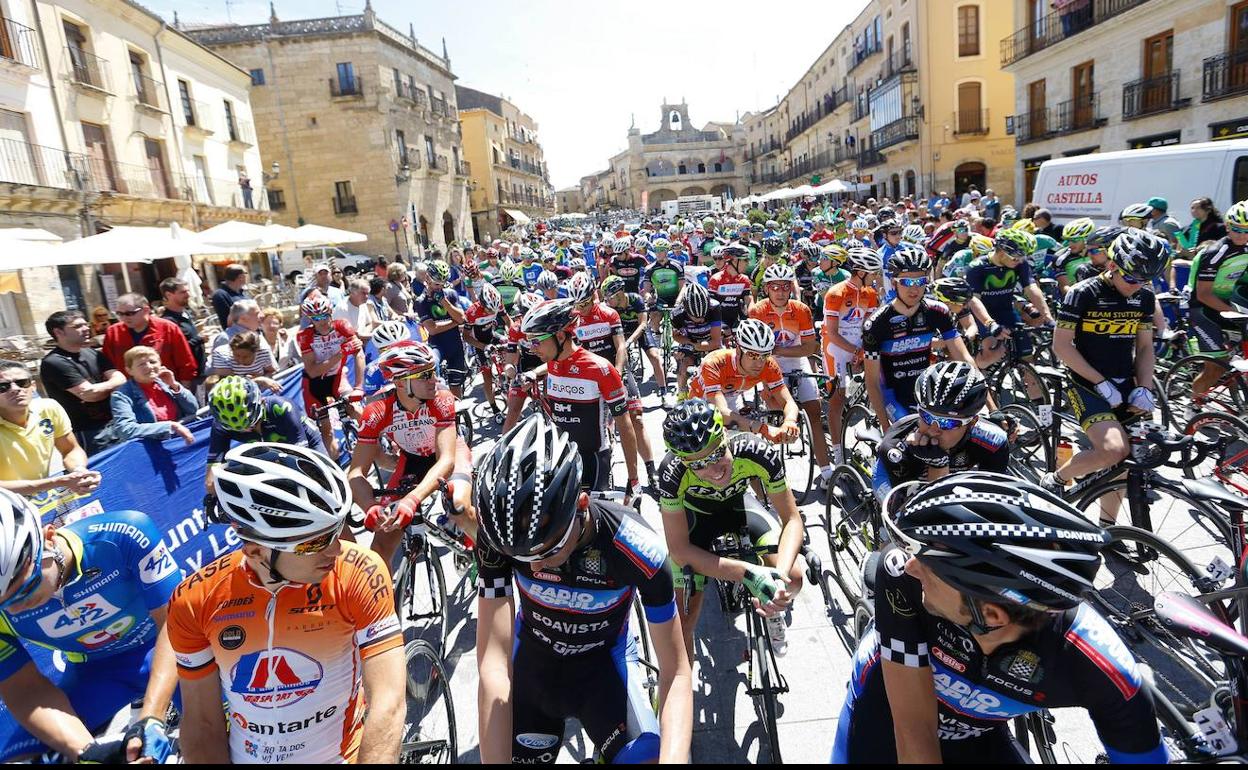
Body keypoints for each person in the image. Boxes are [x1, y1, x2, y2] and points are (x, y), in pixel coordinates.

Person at [833, 472, 1167, 763]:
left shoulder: (1101, 667)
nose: (911, 566)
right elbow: (914, 731)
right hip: (886, 712)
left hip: (978, 735)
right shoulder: (902, 577)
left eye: (929, 568)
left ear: (991, 613)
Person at [473, 415, 693, 763]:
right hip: (533, 671)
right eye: (519, 557)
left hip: (604, 672)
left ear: (581, 506)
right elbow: (493, 662)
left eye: (548, 550)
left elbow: (676, 671)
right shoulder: (498, 537)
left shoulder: (637, 546)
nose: (534, 567)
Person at [169, 443, 405, 763]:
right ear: (255, 551)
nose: (336, 549)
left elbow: (387, 703)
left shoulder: (358, 572)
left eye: (337, 530)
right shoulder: (195, 600)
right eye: (316, 541)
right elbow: (203, 724)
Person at [0, 489, 183, 763]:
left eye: (24, 590)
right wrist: (88, 752)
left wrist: (152, 715)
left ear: (49, 539)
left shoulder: (124, 533)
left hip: (165, 649)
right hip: (94, 672)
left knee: (234, 724)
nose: (15, 608)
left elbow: (177, 627)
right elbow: (23, 687)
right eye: (3, 604)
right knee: (22, 757)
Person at [657, 399, 804, 658]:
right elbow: (679, 550)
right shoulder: (672, 471)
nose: (712, 470)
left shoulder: (755, 449)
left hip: (739, 509)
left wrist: (776, 579)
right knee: (682, 626)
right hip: (696, 522)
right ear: (683, 460)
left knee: (794, 578)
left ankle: (771, 610)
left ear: (725, 435)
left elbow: (792, 519)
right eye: (697, 464)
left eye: (716, 455)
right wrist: (747, 573)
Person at [1043, 230, 1168, 513]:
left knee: (1129, 458)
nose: (1137, 286)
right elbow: (1061, 346)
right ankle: (1056, 478)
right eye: (1131, 279)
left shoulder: (1144, 297)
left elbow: (1145, 347)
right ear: (1112, 266)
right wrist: (1099, 381)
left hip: (1126, 379)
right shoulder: (1082, 293)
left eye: (1144, 280)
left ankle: (1108, 526)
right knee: (1113, 450)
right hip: (1086, 381)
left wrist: (1145, 387)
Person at [349, 343, 459, 565]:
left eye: (434, 371)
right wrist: (370, 507)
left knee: (462, 507)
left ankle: (488, 558)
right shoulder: (378, 412)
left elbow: (446, 459)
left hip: (448, 455)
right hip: (412, 460)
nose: (434, 380)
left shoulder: (442, 399)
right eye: (425, 375)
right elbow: (356, 472)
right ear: (400, 382)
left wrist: (412, 499)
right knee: (380, 546)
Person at [521, 298, 640, 497]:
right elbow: (558, 367)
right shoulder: (553, 362)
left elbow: (625, 425)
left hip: (593, 459)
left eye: (535, 341)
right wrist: (533, 374)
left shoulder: (600, 368)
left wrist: (633, 480)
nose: (532, 349)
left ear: (559, 336)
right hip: (561, 456)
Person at [863, 249, 974, 430]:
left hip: (926, 388)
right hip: (892, 393)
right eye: (907, 281)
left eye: (920, 281)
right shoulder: (876, 324)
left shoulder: (938, 311)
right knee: (913, 437)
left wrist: (992, 409)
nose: (914, 288)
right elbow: (873, 382)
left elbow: (965, 359)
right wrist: (885, 429)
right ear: (894, 282)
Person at [568, 274, 658, 487]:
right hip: (591, 380)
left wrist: (616, 372)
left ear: (595, 296)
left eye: (586, 303)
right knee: (601, 429)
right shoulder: (574, 320)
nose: (583, 309)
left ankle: (651, 470)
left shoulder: (609, 314)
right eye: (577, 305)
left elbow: (620, 346)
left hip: (616, 371)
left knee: (636, 420)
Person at [749, 262, 835, 484]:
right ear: (767, 289)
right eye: (775, 287)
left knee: (815, 414)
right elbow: (754, 350)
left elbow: (810, 347)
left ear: (791, 288)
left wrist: (779, 349)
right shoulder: (757, 311)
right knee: (776, 414)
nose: (780, 292)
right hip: (769, 365)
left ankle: (826, 473)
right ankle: (775, 476)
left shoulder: (800, 310)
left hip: (797, 362)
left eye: (785, 287)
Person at [872, 361, 1007, 500]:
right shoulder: (897, 446)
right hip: (891, 480)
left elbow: (992, 496)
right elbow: (913, 514)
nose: (933, 429)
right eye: (926, 416)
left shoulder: (994, 441)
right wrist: (938, 465)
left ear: (972, 423)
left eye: (947, 422)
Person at [687, 318, 800, 442]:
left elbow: (788, 401)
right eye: (753, 355)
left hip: (730, 399)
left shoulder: (768, 365)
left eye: (765, 355)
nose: (759, 363)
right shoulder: (715, 363)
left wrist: (790, 421)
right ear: (739, 350)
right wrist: (764, 429)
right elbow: (720, 412)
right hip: (701, 403)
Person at [204, 376, 324, 492]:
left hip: (305, 442)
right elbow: (211, 482)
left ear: (258, 404)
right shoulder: (220, 425)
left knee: (318, 477)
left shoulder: (281, 408)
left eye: (251, 423)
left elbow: (302, 460)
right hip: (269, 451)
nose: (247, 430)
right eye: (239, 429)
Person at [0, 360, 99, 497]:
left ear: (33, 386)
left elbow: (70, 449)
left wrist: (79, 470)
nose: (15, 389)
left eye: (22, 383)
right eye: (3, 387)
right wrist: (55, 482)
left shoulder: (48, 408)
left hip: (40, 497)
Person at [822, 247, 882, 465]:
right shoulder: (836, 293)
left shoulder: (870, 293)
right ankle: (838, 455)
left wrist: (865, 349)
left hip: (858, 346)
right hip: (835, 349)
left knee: (877, 387)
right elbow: (832, 332)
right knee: (837, 399)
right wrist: (855, 351)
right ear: (861, 272)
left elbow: (869, 326)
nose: (876, 277)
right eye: (873, 272)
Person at [40, 311, 125, 455]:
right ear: (58, 332)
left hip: (115, 423)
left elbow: (121, 379)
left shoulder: (93, 353)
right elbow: (90, 396)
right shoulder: (54, 362)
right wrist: (108, 386)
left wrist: (97, 388)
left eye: (86, 324)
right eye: (78, 326)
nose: (86, 328)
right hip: (87, 431)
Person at [1190, 200, 1248, 395]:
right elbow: (1203, 294)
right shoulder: (1215, 252)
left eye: (1247, 231)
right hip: (1203, 309)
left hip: (1225, 305)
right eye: (1237, 229)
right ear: (1228, 227)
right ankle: (1195, 406)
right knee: (1216, 367)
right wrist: (1233, 311)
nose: (1242, 235)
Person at [296, 294, 365, 459]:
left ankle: (382, 442)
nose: (322, 320)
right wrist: (340, 355)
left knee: (356, 410)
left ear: (331, 312)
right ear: (310, 318)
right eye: (317, 317)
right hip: (314, 385)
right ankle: (337, 468)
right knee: (326, 431)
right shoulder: (305, 336)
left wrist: (359, 387)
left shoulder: (342, 326)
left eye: (325, 315)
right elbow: (312, 371)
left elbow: (358, 353)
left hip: (337, 378)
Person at [102, 294, 197, 388]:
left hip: (164, 388)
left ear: (146, 310)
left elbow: (185, 362)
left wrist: (181, 391)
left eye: (129, 313)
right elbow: (108, 366)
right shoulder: (113, 332)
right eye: (120, 314)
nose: (124, 318)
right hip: (129, 392)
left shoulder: (168, 328)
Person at [106, 346, 197, 445]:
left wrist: (174, 385)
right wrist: (169, 426)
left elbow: (193, 409)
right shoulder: (121, 396)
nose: (149, 367)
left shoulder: (165, 383)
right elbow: (126, 430)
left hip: (180, 441)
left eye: (153, 362)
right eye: (141, 364)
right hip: (150, 447)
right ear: (129, 370)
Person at [414, 261, 469, 396]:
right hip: (437, 345)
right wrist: (455, 321)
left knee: (456, 389)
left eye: (443, 284)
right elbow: (432, 329)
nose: (439, 287)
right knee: (433, 367)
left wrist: (445, 302)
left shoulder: (449, 294)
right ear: (427, 279)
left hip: (455, 345)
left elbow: (462, 318)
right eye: (436, 284)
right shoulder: (421, 301)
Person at [155, 278, 206, 386]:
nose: (188, 294)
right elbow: (177, 350)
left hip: (199, 373)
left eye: (188, 291)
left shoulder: (185, 313)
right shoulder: (168, 322)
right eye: (183, 292)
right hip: (187, 379)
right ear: (169, 295)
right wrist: (200, 338)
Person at [206, 332, 279, 390]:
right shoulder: (221, 355)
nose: (240, 360)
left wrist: (265, 376)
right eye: (237, 355)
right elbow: (230, 385)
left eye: (245, 357)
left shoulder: (263, 352)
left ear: (256, 352)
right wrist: (259, 379)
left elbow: (271, 371)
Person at [333, 278, 379, 343]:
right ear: (353, 293)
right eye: (363, 293)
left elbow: (369, 323)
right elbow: (347, 334)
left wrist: (364, 333)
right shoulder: (342, 308)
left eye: (367, 293)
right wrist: (374, 336)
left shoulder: (363, 304)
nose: (366, 296)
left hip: (364, 341)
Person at [210, 264, 248, 328]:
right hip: (239, 334)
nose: (247, 276)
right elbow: (228, 321)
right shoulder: (220, 295)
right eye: (246, 273)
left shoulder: (241, 292)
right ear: (240, 277)